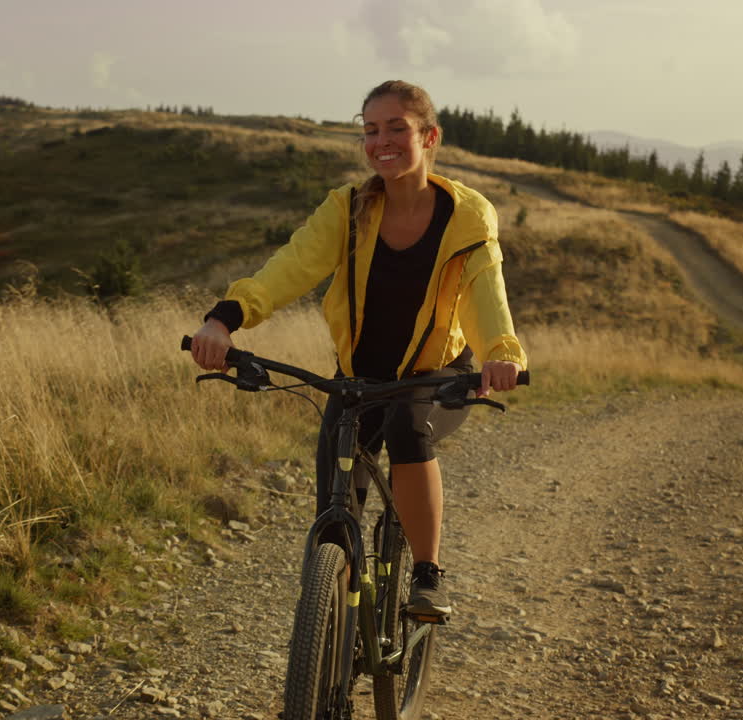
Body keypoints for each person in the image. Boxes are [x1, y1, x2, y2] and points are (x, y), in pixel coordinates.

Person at [190, 80, 526, 617]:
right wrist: (223, 320)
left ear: (429, 137)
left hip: (434, 378)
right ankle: (333, 631)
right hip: (358, 380)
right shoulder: (347, 209)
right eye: (370, 130)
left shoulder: (466, 215)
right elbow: (288, 269)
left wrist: (501, 354)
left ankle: (427, 573)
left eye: (396, 128)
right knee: (334, 509)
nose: (381, 141)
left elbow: (486, 294)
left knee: (406, 427)